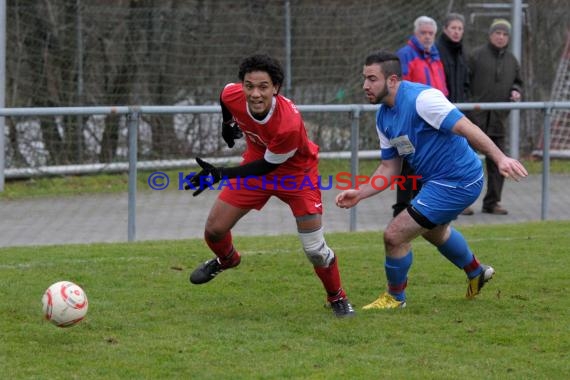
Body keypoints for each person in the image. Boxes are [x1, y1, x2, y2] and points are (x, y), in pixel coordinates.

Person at [335, 51, 528, 309]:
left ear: (392, 80)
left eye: (372, 79)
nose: (365, 86)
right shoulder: (383, 116)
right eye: (364, 79)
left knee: (394, 235)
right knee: (433, 231)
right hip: (436, 182)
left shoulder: (423, 99)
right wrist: (360, 192)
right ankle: (476, 272)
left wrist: (499, 158)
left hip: (459, 180)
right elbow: (389, 168)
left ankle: (395, 298)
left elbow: (466, 127)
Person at [185, 54, 355, 318]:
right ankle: (228, 259)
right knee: (214, 230)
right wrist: (227, 124)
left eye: (263, 86)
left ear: (275, 88)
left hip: (297, 175)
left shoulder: (288, 124)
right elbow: (224, 96)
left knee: (315, 251)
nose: (255, 93)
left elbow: (267, 166)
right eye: (249, 85)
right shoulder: (234, 95)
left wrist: (221, 173)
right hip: (257, 163)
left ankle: (337, 297)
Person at [467, 19, 524, 215]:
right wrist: (469, 109)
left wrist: (516, 91)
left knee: (500, 163)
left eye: (504, 34)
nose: (501, 37)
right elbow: (465, 84)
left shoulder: (512, 60)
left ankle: (492, 202)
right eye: (497, 33)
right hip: (474, 121)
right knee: (467, 162)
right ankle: (463, 202)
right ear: (490, 35)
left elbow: (518, 82)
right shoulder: (475, 56)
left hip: (498, 120)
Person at [393, 16, 448, 218]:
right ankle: (401, 206)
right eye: (423, 33)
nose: (427, 37)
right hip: (411, 120)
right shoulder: (406, 55)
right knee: (407, 164)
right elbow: (401, 88)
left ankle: (421, 203)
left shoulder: (434, 55)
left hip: (432, 121)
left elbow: (441, 87)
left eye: (430, 33)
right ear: (415, 33)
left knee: (426, 162)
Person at [435, 12, 474, 215]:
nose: (457, 32)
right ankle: (446, 200)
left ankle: (460, 199)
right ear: (445, 29)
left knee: (459, 156)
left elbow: (466, 83)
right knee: (444, 158)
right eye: (453, 28)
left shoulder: (462, 53)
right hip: (441, 114)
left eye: (460, 29)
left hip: (458, 113)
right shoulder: (437, 51)